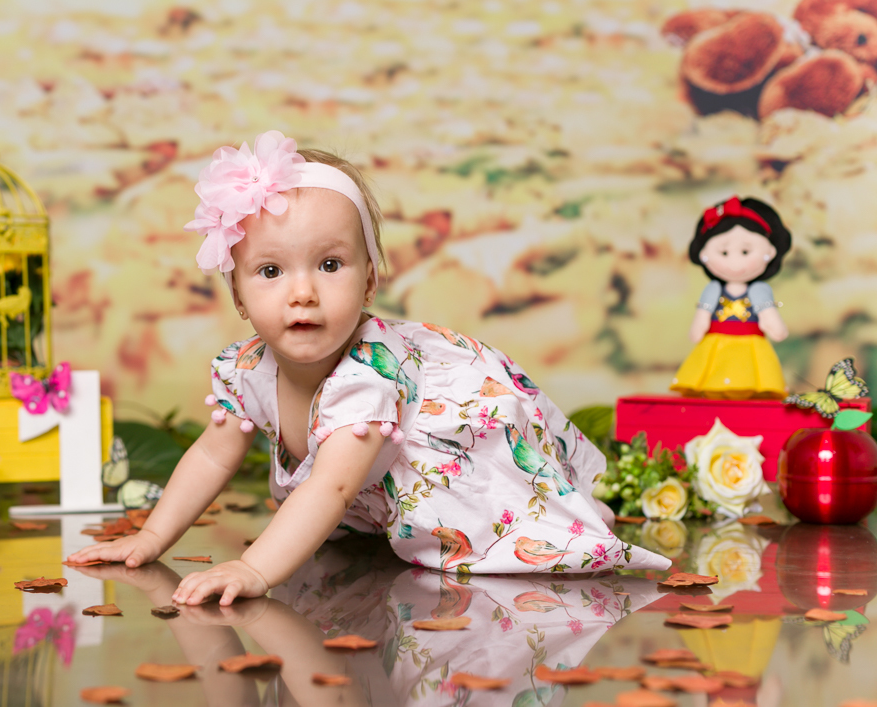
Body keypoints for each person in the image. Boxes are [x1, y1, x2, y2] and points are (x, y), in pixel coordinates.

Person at [68, 131, 670, 605]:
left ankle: (570, 510)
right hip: (378, 495)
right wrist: (150, 539)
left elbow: (333, 483)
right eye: (271, 272)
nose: (302, 293)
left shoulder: (368, 374)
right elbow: (210, 455)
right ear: (238, 296)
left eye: (330, 265)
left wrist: (254, 568)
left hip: (458, 459)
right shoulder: (244, 369)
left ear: (370, 279)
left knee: (507, 519)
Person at [670, 196, 791, 399]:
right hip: (716, 342)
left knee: (752, 383)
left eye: (745, 251)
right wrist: (699, 326)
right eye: (724, 252)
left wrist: (774, 326)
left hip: (751, 342)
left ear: (770, 252)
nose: (735, 262)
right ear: (703, 254)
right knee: (711, 383)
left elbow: (768, 314)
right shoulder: (713, 289)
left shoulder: (759, 290)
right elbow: (703, 313)